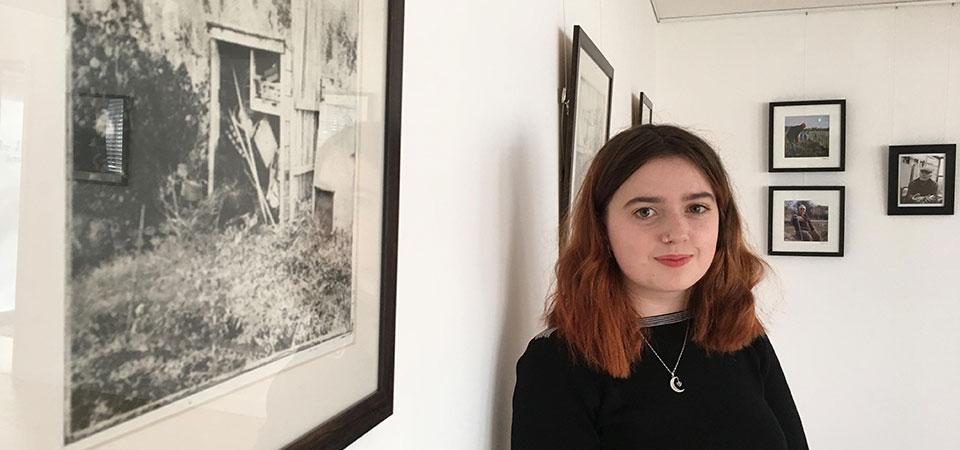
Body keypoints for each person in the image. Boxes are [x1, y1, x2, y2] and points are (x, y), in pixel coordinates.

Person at [511, 125, 808, 450]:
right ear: (602, 227)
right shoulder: (557, 363)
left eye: (697, 208)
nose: (677, 233)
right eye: (646, 212)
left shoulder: (743, 335)